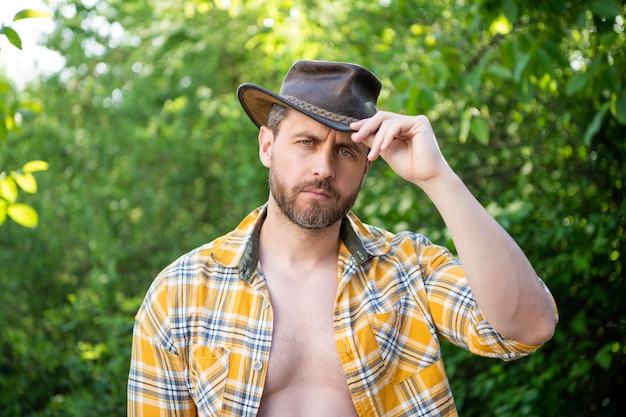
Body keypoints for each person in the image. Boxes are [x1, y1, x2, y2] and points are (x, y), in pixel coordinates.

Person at [128, 60, 558, 417]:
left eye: (346, 151)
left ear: (366, 165)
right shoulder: (180, 292)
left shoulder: (407, 268)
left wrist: (437, 178)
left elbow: (528, 328)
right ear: (266, 146)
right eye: (306, 142)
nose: (324, 168)